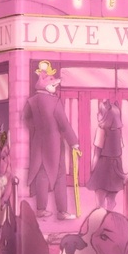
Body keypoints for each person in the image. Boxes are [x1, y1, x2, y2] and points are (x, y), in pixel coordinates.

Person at [23, 60, 79, 220]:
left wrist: (36, 129)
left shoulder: (32, 101)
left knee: (42, 174)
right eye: (52, 82)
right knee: (60, 175)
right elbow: (64, 124)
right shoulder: (54, 102)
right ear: (45, 85)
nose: (55, 84)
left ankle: (41, 209)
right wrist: (74, 142)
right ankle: (62, 212)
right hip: (54, 144)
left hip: (38, 142)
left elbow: (25, 118)